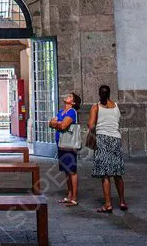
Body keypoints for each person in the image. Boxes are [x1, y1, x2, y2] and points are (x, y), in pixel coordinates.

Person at [88, 84, 127, 213]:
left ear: (99, 94)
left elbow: (91, 125)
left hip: (102, 139)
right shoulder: (116, 106)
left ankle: (108, 204)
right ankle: (122, 201)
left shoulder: (96, 107)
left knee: (105, 174)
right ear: (109, 93)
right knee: (117, 173)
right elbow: (118, 121)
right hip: (116, 139)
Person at [49, 91, 82, 206]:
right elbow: (50, 123)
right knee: (66, 171)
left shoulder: (72, 112)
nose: (67, 96)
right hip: (61, 143)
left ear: (73, 102)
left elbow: (63, 125)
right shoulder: (61, 111)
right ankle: (69, 195)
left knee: (72, 171)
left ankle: (74, 198)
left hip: (69, 144)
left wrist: (56, 123)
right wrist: (57, 123)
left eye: (70, 96)